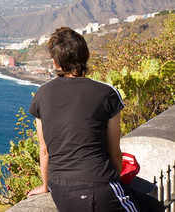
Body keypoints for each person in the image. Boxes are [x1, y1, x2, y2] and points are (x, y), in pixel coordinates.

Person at [27, 27, 143, 212]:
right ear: (86, 56)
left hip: (60, 189)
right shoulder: (107, 93)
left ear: (55, 62)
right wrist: (115, 181)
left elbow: (45, 150)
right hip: (99, 184)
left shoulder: (42, 94)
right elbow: (114, 152)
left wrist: (45, 185)